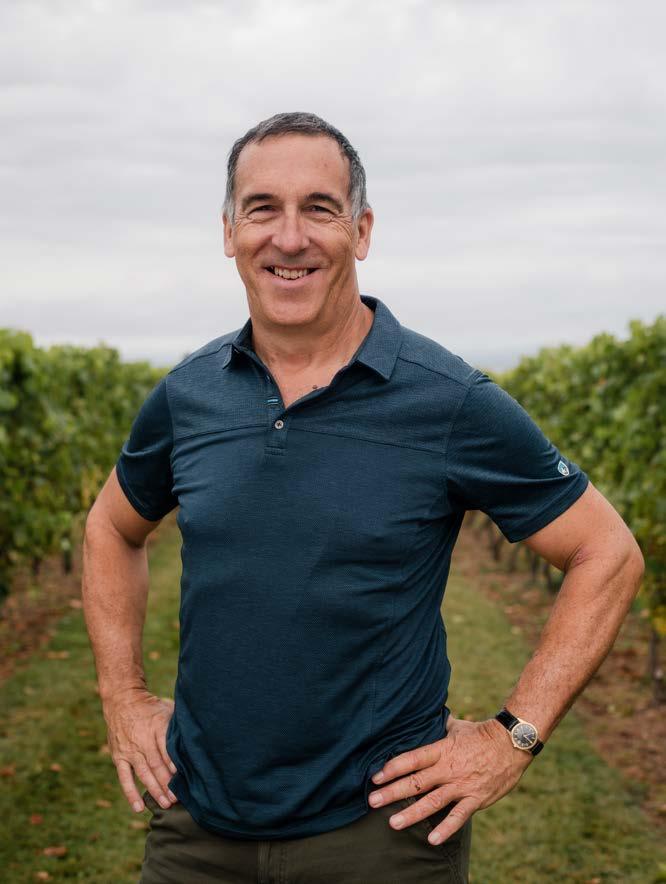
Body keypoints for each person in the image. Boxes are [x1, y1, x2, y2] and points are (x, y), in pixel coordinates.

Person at [81, 112, 645, 884]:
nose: (289, 238)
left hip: (382, 837)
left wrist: (513, 736)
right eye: (262, 209)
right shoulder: (189, 394)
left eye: (319, 208)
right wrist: (122, 696)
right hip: (195, 829)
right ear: (229, 232)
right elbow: (112, 528)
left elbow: (606, 552)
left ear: (362, 230)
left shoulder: (446, 400)